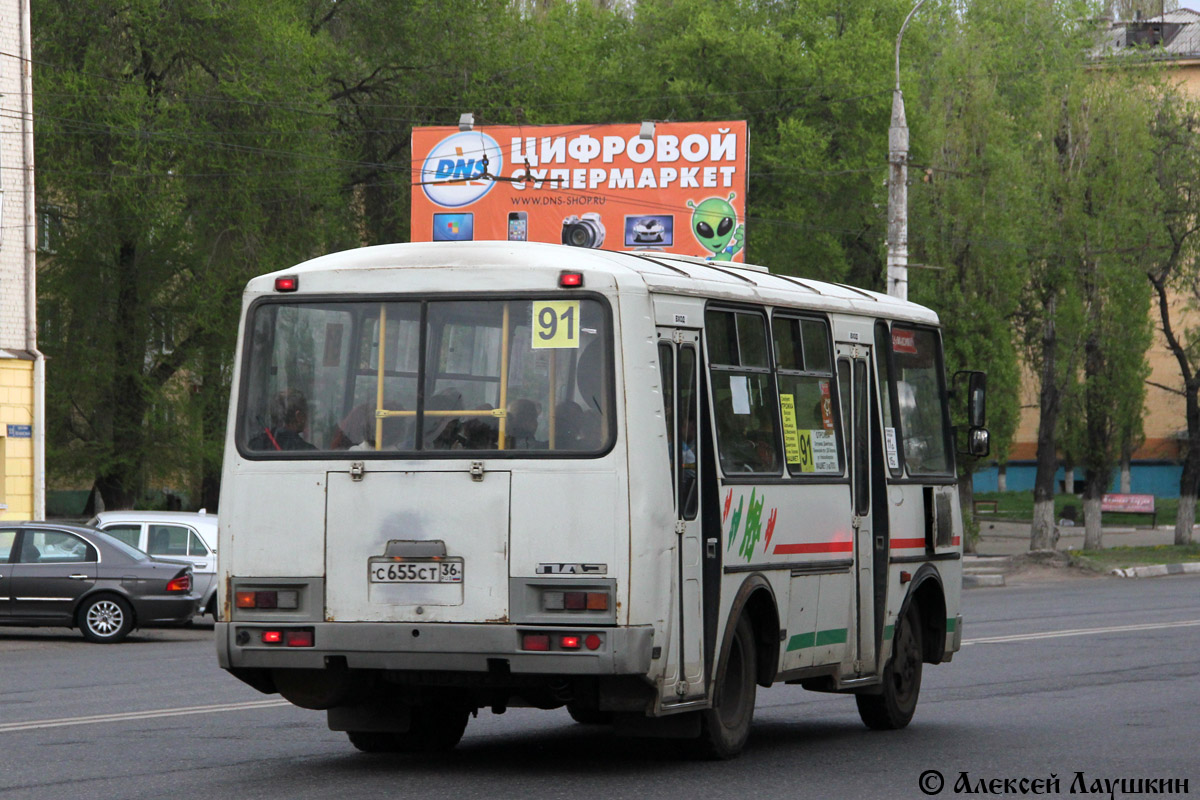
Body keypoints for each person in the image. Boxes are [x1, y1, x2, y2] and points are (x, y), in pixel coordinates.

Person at [250, 388, 316, 451]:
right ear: (298, 416)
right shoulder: (308, 452)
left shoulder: (254, 446)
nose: (307, 418)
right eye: (305, 414)